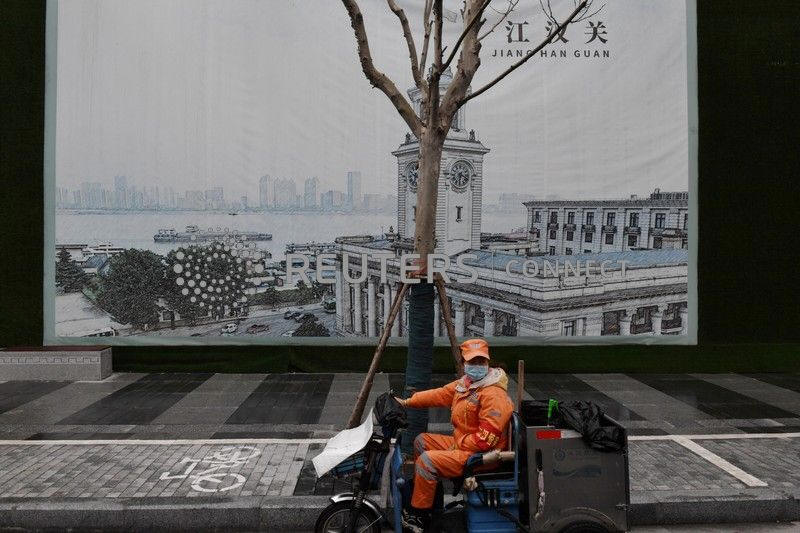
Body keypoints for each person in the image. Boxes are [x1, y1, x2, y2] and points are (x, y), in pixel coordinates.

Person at [396, 338, 513, 532]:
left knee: (426, 461)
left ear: (487, 362)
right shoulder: (467, 384)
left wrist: (460, 444)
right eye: (472, 361)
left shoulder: (493, 393)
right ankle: (432, 503)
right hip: (465, 446)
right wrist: (408, 402)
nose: (476, 365)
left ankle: (419, 517)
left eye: (481, 361)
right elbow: (440, 394)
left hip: (482, 456)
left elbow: (486, 440)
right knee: (421, 441)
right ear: (463, 363)